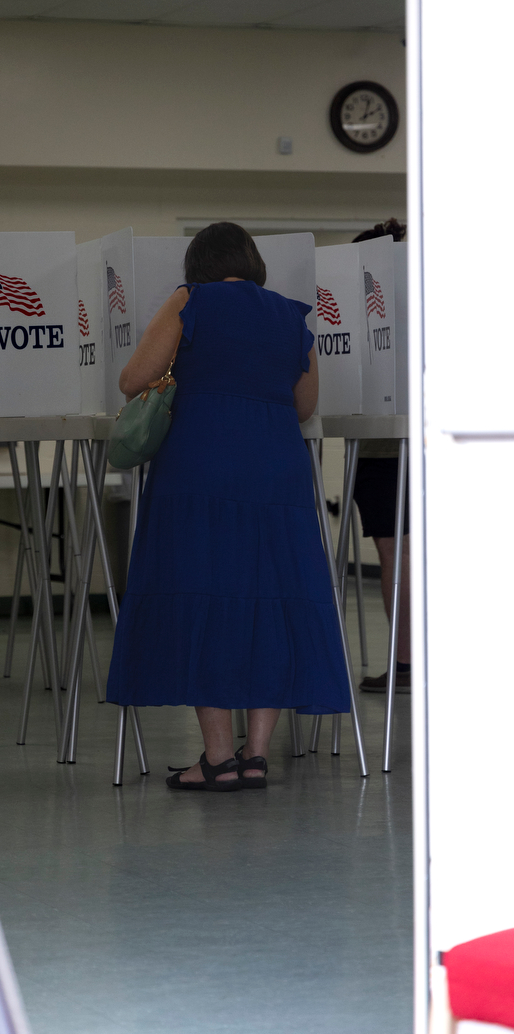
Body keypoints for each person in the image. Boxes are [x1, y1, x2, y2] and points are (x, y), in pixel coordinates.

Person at [106, 222, 350, 791]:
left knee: (204, 596)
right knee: (270, 599)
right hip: (276, 473)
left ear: (199, 264)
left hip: (201, 468)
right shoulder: (290, 315)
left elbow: (133, 379)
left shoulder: (190, 299)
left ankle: (216, 757)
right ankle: (257, 753)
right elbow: (305, 403)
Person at [350, 219, 410, 693]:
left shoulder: (368, 305)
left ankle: (407, 663)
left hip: (383, 444)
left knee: (395, 552)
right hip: (426, 440)